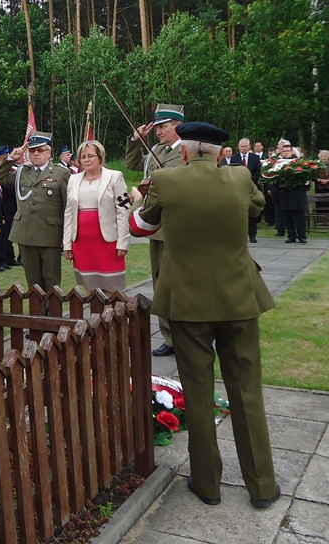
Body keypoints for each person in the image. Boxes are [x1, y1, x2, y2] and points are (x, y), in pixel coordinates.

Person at [130, 121, 279, 509]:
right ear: (218, 153)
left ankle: (208, 484)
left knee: (197, 393)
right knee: (247, 392)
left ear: (183, 151)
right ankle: (262, 486)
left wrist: (138, 198)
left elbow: (141, 226)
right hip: (239, 297)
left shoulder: (165, 180)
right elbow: (258, 206)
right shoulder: (240, 176)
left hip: (186, 301)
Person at [125, 103, 184, 357]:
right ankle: (168, 336)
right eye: (157, 127)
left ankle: (185, 335)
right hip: (156, 226)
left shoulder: (188, 150)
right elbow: (132, 163)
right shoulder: (156, 150)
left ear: (178, 126)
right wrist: (135, 140)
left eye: (163, 127)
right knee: (160, 284)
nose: (158, 132)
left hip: (179, 226)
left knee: (180, 283)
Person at [0, 132, 70, 294]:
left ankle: (51, 310)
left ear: (49, 152)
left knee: (51, 280)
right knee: (33, 282)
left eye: (40, 150)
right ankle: (37, 310)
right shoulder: (22, 171)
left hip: (50, 234)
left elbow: (67, 206)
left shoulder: (61, 173)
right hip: (26, 233)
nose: (36, 154)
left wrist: (66, 236)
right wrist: (11, 159)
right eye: (32, 150)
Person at [62, 140, 129, 292]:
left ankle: (113, 309)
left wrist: (123, 242)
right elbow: (69, 213)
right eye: (83, 157)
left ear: (100, 157)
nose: (86, 160)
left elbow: (123, 210)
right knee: (90, 288)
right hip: (82, 242)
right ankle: (93, 308)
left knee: (112, 288)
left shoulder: (115, 177)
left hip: (108, 242)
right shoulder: (73, 179)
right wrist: (67, 244)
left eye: (90, 156)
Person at [273, 143, 308, 243]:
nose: (286, 153)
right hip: (285, 193)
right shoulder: (278, 163)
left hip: (297, 193)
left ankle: (302, 236)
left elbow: (304, 177)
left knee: (299, 216)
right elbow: (274, 177)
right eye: (284, 151)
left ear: (292, 152)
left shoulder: (298, 162)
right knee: (287, 216)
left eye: (288, 151)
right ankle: (291, 236)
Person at [229, 138, 262, 243]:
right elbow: (232, 171)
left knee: (251, 213)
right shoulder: (234, 158)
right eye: (242, 146)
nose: (244, 148)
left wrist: (250, 182)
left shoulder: (255, 158)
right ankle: (240, 236)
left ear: (249, 147)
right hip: (238, 189)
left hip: (252, 189)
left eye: (245, 146)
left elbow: (258, 171)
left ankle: (252, 235)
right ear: (239, 147)